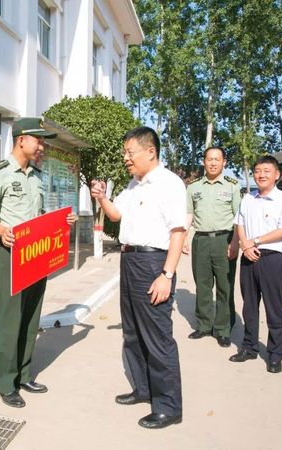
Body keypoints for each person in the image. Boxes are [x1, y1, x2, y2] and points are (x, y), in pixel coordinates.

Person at [91, 126, 186, 429]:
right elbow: (117, 215)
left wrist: (166, 275)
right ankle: (143, 389)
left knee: (157, 336)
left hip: (152, 261)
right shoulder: (133, 185)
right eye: (125, 153)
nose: (126, 158)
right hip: (130, 259)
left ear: (150, 151)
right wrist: (103, 198)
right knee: (132, 332)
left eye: (130, 153)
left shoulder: (169, 184)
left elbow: (178, 232)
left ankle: (169, 406)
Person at [0, 117, 75, 408]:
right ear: (22, 139)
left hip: (36, 253)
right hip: (11, 253)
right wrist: (1, 231)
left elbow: (40, 216)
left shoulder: (35, 176)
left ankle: (22, 374)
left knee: (31, 315)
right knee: (9, 319)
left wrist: (63, 220)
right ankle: (5, 383)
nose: (42, 145)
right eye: (39, 139)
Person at [230, 155, 282, 374]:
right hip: (248, 257)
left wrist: (255, 241)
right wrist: (246, 247)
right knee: (249, 306)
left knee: (273, 308)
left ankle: (276, 354)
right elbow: (239, 224)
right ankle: (249, 347)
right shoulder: (248, 198)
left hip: (271, 258)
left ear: (276, 175)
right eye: (257, 171)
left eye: (267, 171)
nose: (261, 175)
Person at [183, 147, 241, 348]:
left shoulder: (233, 186)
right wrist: (184, 237)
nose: (213, 163)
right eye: (210, 159)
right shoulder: (194, 187)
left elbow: (238, 218)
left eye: (217, 159)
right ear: (204, 161)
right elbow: (189, 214)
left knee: (225, 286)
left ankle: (223, 329)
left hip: (224, 239)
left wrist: (235, 243)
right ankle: (204, 325)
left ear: (224, 162)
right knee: (203, 284)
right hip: (200, 240)